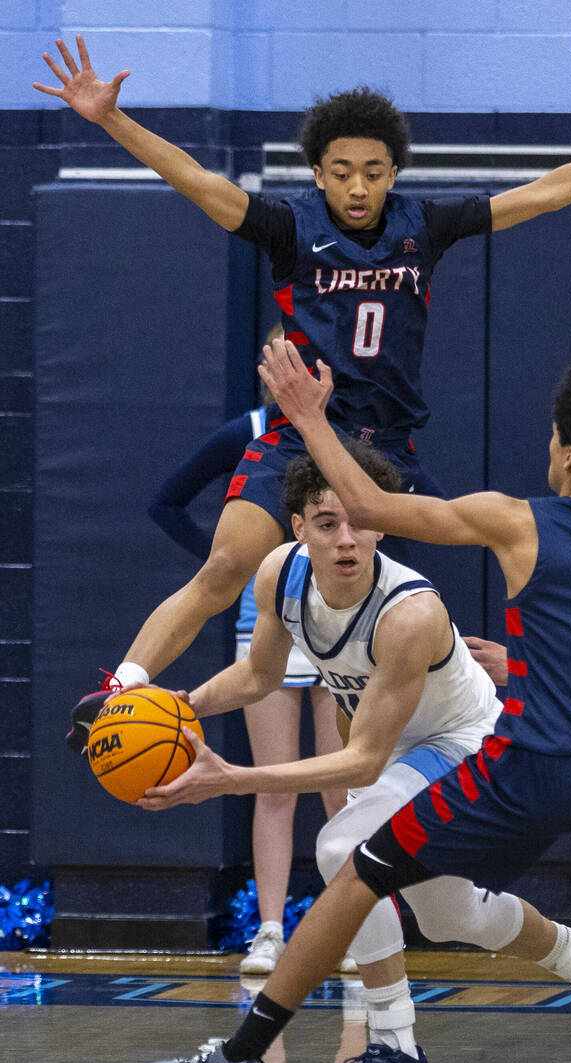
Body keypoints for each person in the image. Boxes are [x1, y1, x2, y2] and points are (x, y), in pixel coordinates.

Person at [142, 343, 571, 1063]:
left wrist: (308, 418)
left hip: (524, 766)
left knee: (355, 866)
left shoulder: (517, 523)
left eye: (553, 436)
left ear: (569, 452)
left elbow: (374, 508)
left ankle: (245, 1060)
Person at [34, 36, 571, 744]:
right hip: (300, 433)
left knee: (411, 604)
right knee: (226, 566)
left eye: (372, 172)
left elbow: (544, 193)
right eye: (341, 172)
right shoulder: (285, 228)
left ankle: (466, 727)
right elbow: (199, 182)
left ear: (394, 172)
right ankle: (120, 690)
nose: (358, 188)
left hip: (387, 448)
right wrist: (111, 121)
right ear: (318, 175)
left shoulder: (423, 227)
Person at [142, 445, 571, 1063]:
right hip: (395, 755)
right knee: (449, 914)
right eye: (326, 523)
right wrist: (179, 706)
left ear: (381, 523)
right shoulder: (280, 575)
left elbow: (360, 761)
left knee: (342, 850)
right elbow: (260, 676)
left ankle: (396, 1055)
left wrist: (233, 776)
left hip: (466, 745)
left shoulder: (409, 612)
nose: (346, 538)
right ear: (297, 528)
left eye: (357, 520)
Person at [148, 366, 350, 974]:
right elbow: (166, 501)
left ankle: (348, 926)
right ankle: (268, 930)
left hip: (344, 616)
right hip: (271, 619)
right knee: (272, 783)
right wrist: (227, 561)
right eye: (278, 354)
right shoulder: (253, 431)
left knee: (341, 787)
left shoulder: (357, 432)